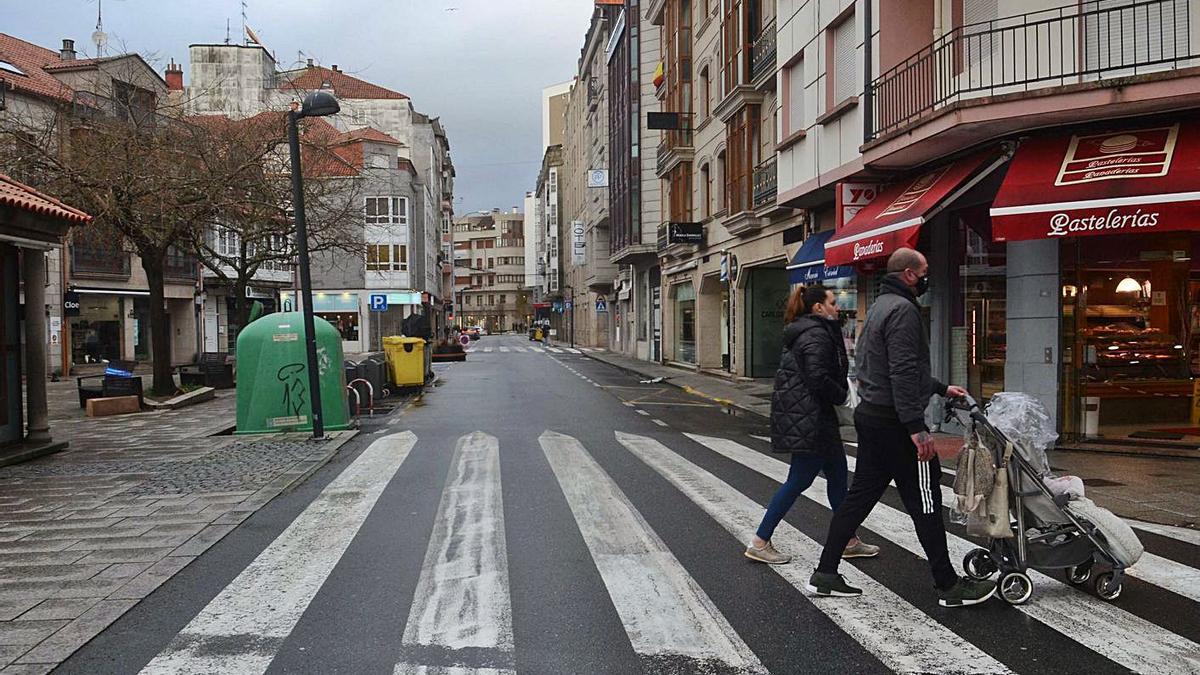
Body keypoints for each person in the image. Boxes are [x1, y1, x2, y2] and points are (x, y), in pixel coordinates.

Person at [807, 248, 995, 607]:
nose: (927, 277)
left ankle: (826, 571)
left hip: (873, 416)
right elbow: (903, 371)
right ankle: (947, 585)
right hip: (896, 422)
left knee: (859, 495)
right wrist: (916, 427)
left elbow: (888, 366)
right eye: (924, 272)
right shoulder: (904, 311)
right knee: (926, 499)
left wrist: (940, 388)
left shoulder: (880, 305)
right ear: (910, 274)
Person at [745, 285, 880, 565]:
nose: (837, 306)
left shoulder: (809, 330)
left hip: (814, 418)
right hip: (811, 420)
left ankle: (848, 541)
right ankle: (759, 541)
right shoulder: (815, 334)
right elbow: (818, 377)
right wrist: (843, 395)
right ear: (818, 308)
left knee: (839, 479)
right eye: (832, 302)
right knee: (798, 481)